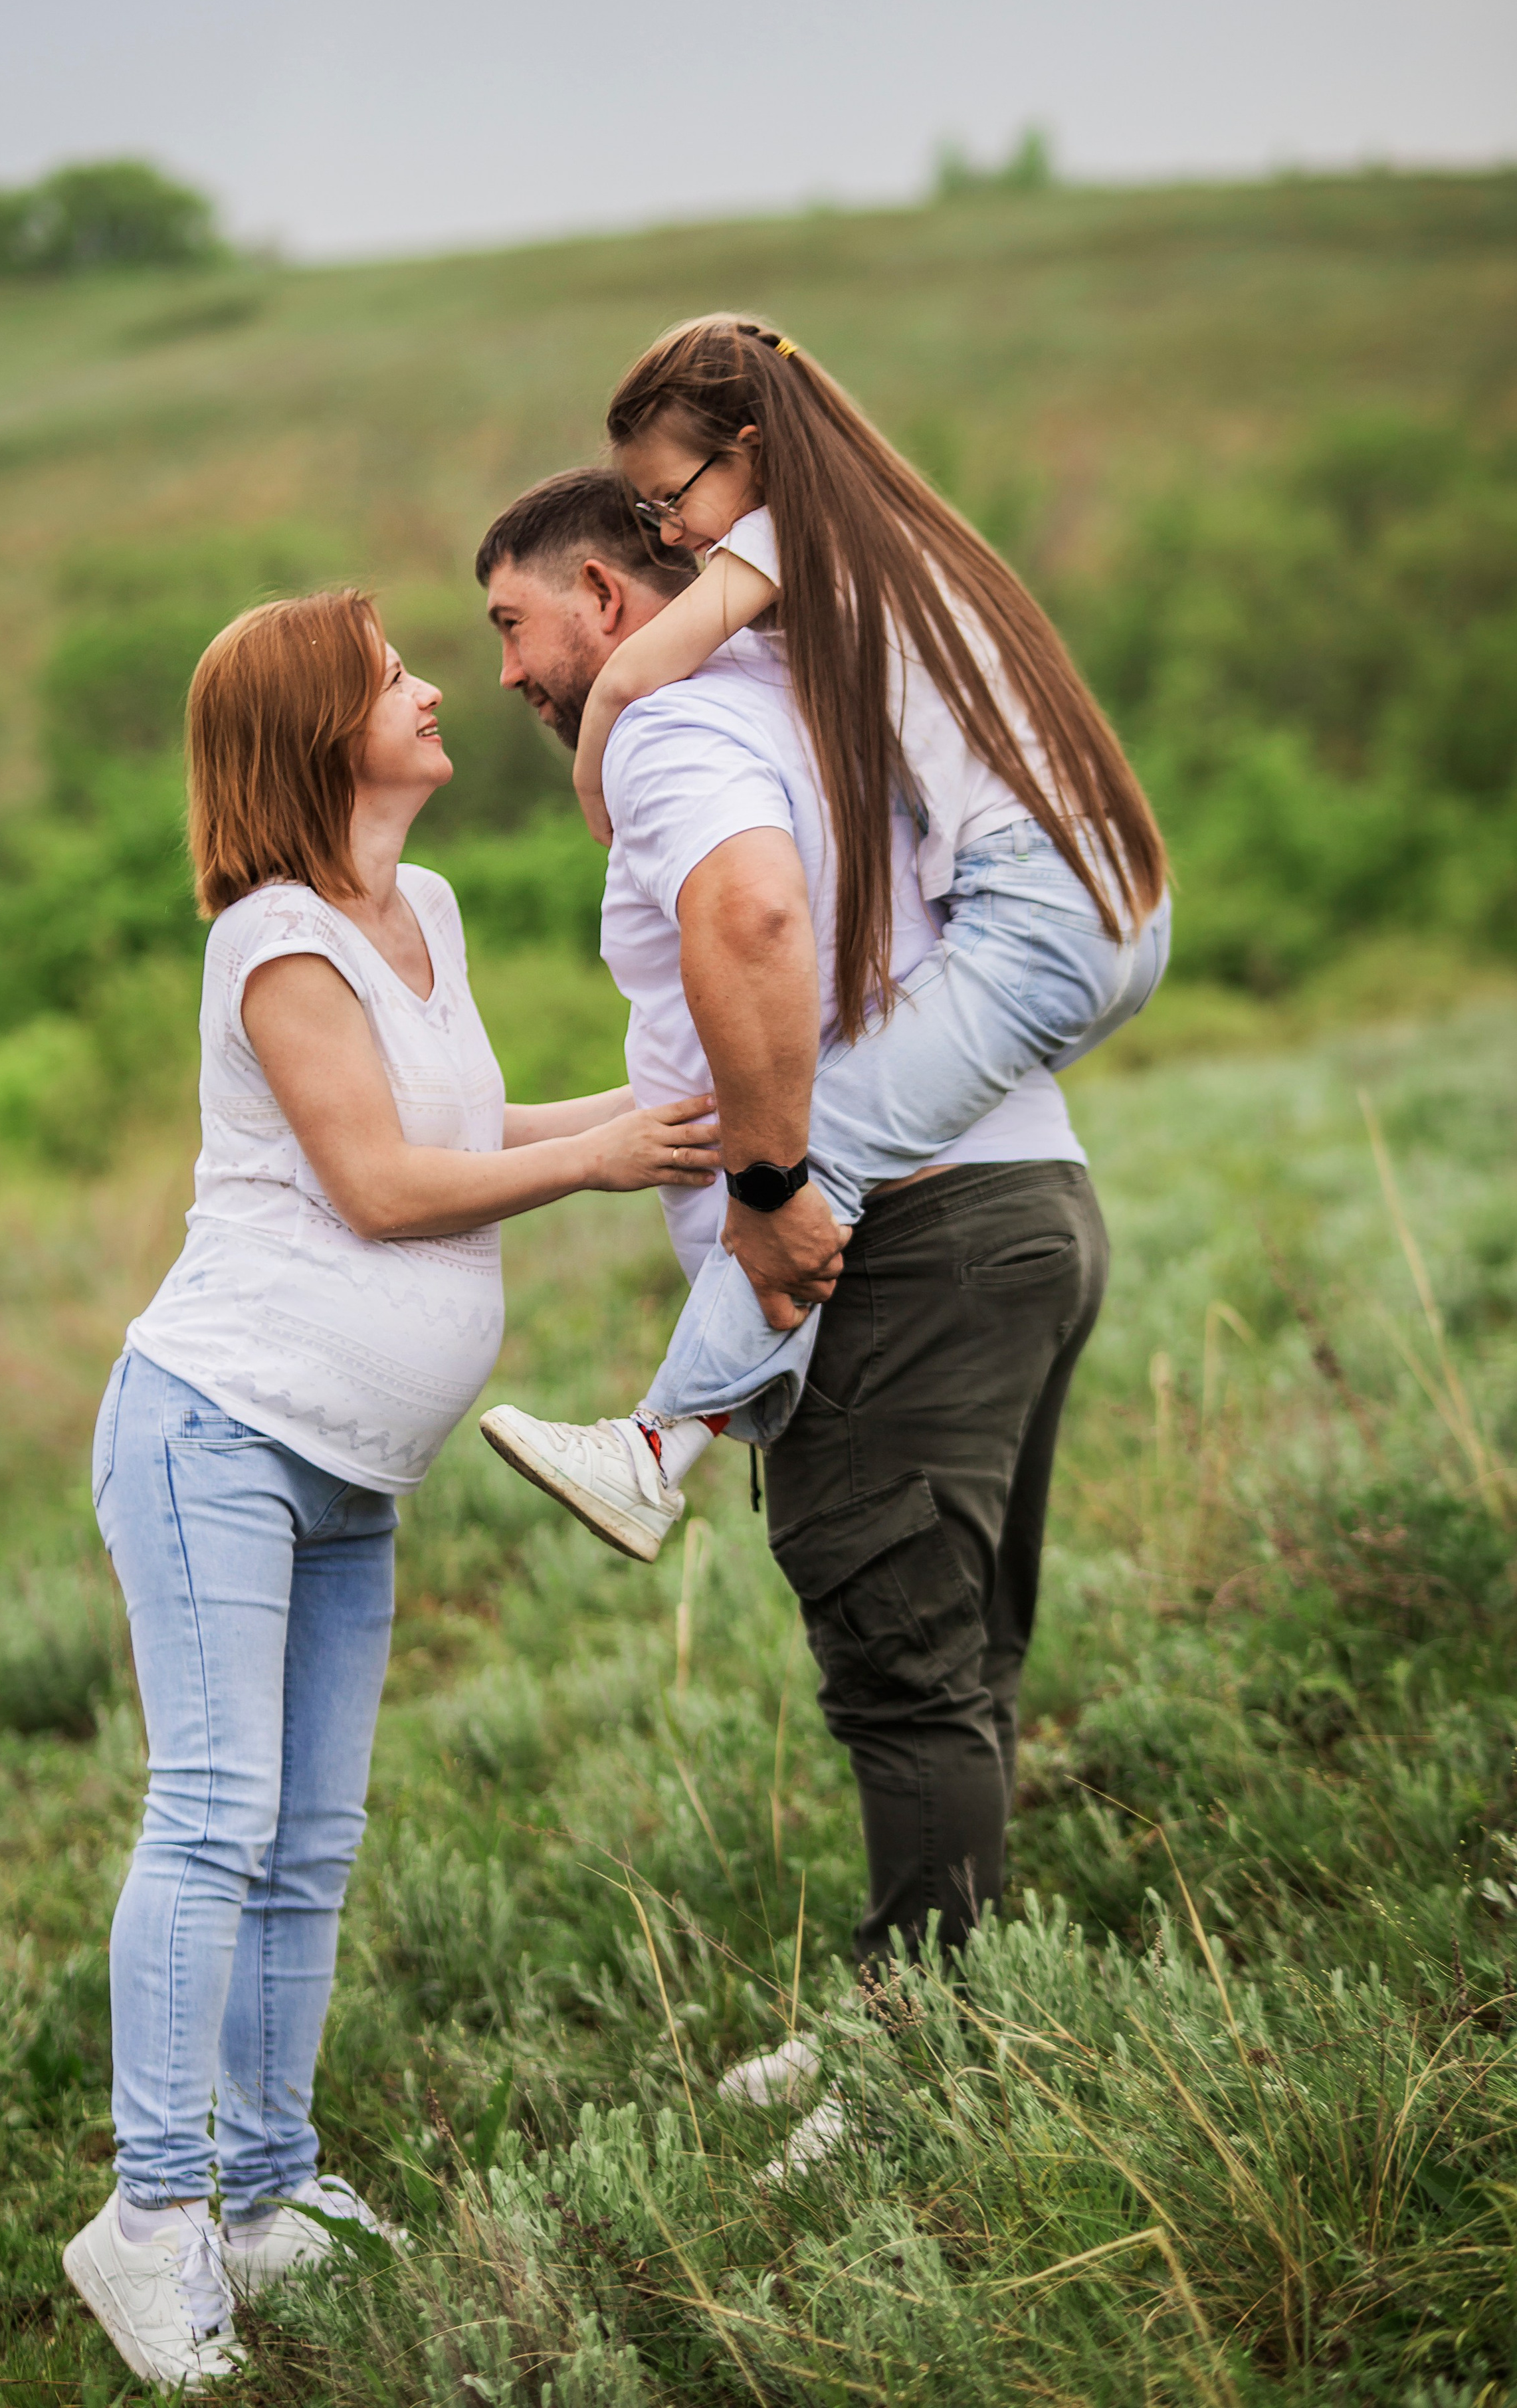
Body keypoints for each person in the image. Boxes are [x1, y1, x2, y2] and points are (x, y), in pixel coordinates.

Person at [62, 589, 717, 2392]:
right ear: (316, 734)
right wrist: (599, 1162)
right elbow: (372, 1183)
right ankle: (151, 2223)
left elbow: (458, 1119)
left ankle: (269, 2203)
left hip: (352, 1470)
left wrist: (641, 1111)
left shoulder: (418, 909)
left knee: (312, 1846)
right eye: (392, 676)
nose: (436, 688)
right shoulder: (274, 942)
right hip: (218, 1431)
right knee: (213, 1818)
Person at [474, 462, 1114, 2146]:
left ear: (608, 600)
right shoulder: (818, 698)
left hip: (892, 1248)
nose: (505, 671)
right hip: (1021, 1203)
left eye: (510, 625)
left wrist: (766, 1189)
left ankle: (924, 2081)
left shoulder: (679, 732)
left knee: (902, 1674)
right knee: (959, 1658)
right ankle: (927, 2009)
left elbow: (748, 910)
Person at [482, 317, 1167, 1561]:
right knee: (836, 1115)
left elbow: (641, 672)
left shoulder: (793, 540)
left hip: (1042, 913)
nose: (672, 535)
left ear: (750, 449)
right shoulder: (883, 542)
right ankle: (682, 1431)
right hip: (1099, 899)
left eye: (672, 497)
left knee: (799, 1151)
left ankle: (652, 1448)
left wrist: (595, 770)